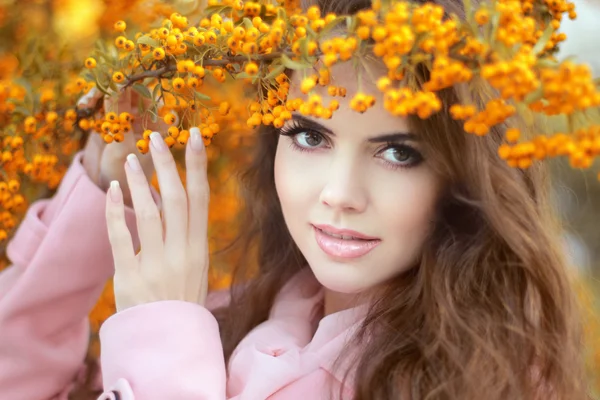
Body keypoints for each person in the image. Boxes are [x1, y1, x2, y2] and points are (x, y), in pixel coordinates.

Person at [0, 0, 589, 399]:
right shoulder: (250, 317)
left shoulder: (483, 381)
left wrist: (164, 344)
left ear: (463, 181)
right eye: (310, 136)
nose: (338, 194)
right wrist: (107, 185)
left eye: (398, 154)